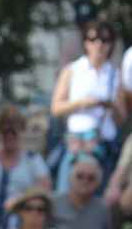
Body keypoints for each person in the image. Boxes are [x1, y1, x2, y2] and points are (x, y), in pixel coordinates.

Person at [50, 21, 127, 190]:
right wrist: (83, 102)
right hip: (75, 145)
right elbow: (55, 108)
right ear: (86, 42)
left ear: (111, 44)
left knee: (99, 199)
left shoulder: (116, 74)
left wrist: (110, 105)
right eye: (94, 39)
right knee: (67, 194)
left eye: (105, 40)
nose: (99, 44)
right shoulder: (72, 70)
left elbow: (121, 119)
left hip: (102, 145)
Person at [51, 154, 109, 229]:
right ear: (70, 178)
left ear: (98, 182)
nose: (85, 181)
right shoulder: (52, 203)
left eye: (91, 178)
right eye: (80, 176)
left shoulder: (103, 210)